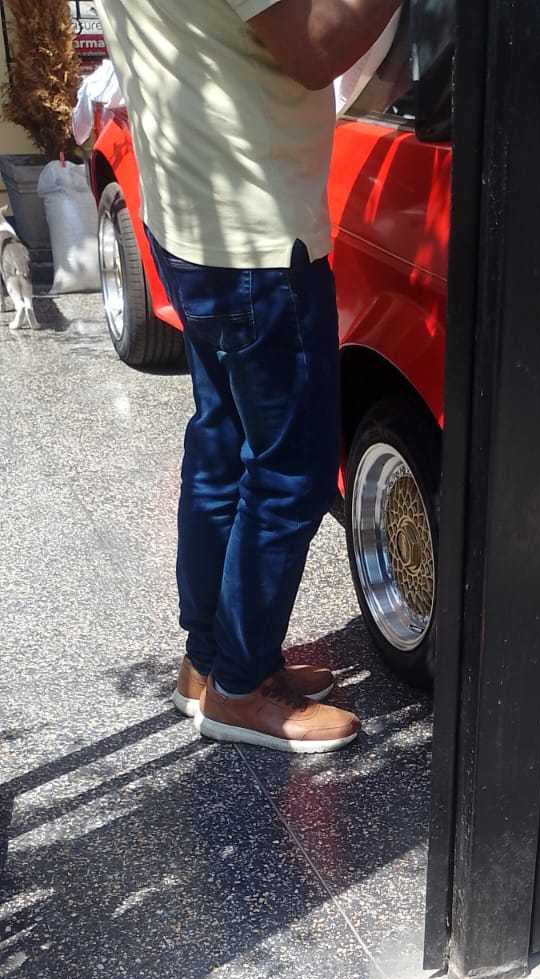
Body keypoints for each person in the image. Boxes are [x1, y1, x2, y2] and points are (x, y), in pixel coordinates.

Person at [96, 0, 401, 753]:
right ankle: (240, 688)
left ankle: (210, 663)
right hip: (254, 239)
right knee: (290, 470)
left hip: (192, 218)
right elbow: (314, 47)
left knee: (224, 446)